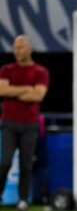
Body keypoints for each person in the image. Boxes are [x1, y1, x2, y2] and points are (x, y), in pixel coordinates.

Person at [0, 35, 49, 211]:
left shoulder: (40, 72)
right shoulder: (6, 69)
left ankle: (22, 200)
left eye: (20, 47)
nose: (17, 51)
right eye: (15, 47)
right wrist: (26, 89)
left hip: (30, 124)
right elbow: (2, 90)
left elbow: (38, 95)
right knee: (4, 162)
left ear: (29, 49)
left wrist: (12, 92)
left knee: (26, 164)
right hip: (9, 123)